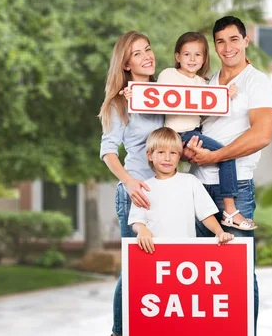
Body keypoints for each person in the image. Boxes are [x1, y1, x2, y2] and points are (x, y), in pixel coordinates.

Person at [185, 16, 272, 334]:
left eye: (234, 39)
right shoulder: (207, 83)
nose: (228, 47)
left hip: (234, 190)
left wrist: (216, 156)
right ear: (215, 44)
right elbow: (191, 125)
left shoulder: (257, 82)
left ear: (246, 40)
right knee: (199, 272)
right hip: (196, 186)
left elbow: (262, 134)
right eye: (221, 41)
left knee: (238, 272)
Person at [124, 31, 256, 231]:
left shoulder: (202, 83)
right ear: (177, 56)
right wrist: (133, 95)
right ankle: (230, 211)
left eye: (198, 55)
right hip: (177, 134)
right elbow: (153, 99)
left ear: (204, 59)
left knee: (223, 155)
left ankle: (228, 211)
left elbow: (209, 108)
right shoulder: (168, 74)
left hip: (195, 132)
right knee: (226, 155)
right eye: (187, 54)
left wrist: (226, 96)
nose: (192, 59)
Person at [98, 31, 164, 336]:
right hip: (136, 194)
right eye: (138, 53)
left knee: (160, 271)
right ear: (126, 63)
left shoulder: (165, 94)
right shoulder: (118, 104)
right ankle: (118, 332)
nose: (147, 56)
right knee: (135, 271)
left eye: (148, 50)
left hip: (166, 193)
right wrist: (130, 184)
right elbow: (108, 152)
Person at [129, 127, 234, 254]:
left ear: (179, 156)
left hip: (186, 251)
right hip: (154, 252)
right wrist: (141, 230)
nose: (167, 158)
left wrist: (219, 232)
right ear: (150, 155)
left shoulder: (190, 181)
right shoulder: (143, 188)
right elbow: (137, 221)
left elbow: (206, 214)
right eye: (161, 152)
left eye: (173, 153)